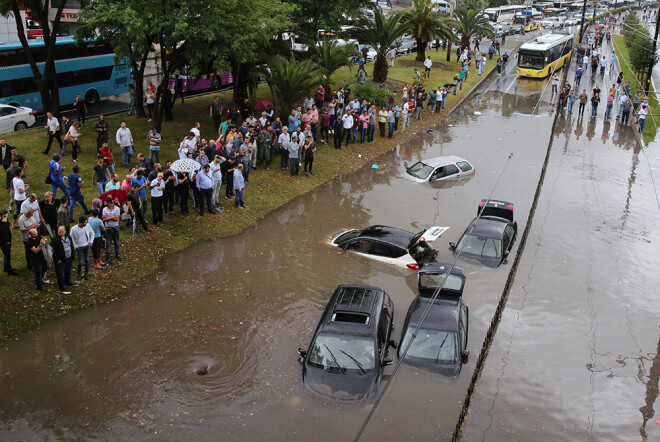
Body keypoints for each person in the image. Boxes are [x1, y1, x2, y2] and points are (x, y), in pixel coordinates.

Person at [51, 225, 74, 294]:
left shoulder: (68, 236)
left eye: (62, 232)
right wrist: (58, 259)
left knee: (68, 271)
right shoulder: (55, 239)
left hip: (68, 257)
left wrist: (72, 255)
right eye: (59, 232)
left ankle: (67, 281)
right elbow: (53, 251)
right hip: (60, 259)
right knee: (60, 273)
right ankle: (61, 286)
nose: (60, 233)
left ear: (65, 231)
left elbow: (71, 245)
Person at [70, 216, 93, 280]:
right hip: (79, 247)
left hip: (87, 246)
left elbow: (92, 233)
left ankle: (86, 274)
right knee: (80, 262)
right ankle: (79, 274)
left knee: (87, 260)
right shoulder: (74, 229)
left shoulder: (87, 226)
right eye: (85, 222)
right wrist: (76, 246)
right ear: (81, 223)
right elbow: (71, 238)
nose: (86, 223)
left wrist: (91, 241)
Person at [102, 197, 121, 264]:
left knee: (116, 242)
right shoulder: (104, 209)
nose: (104, 203)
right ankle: (108, 258)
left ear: (109, 203)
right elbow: (103, 219)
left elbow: (117, 219)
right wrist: (112, 217)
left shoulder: (117, 209)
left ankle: (117, 255)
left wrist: (108, 218)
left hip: (115, 228)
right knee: (108, 244)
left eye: (105, 202)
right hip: (108, 229)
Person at [0, 210, 16, 275]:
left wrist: (5, 222)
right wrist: (3, 223)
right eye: (4, 216)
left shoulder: (5, 219)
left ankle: (6, 267)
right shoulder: (1, 221)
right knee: (7, 255)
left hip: (7, 239)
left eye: (6, 216)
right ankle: (10, 271)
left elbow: (8, 225)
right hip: (3, 241)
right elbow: (1, 231)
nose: (5, 217)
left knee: (7, 255)